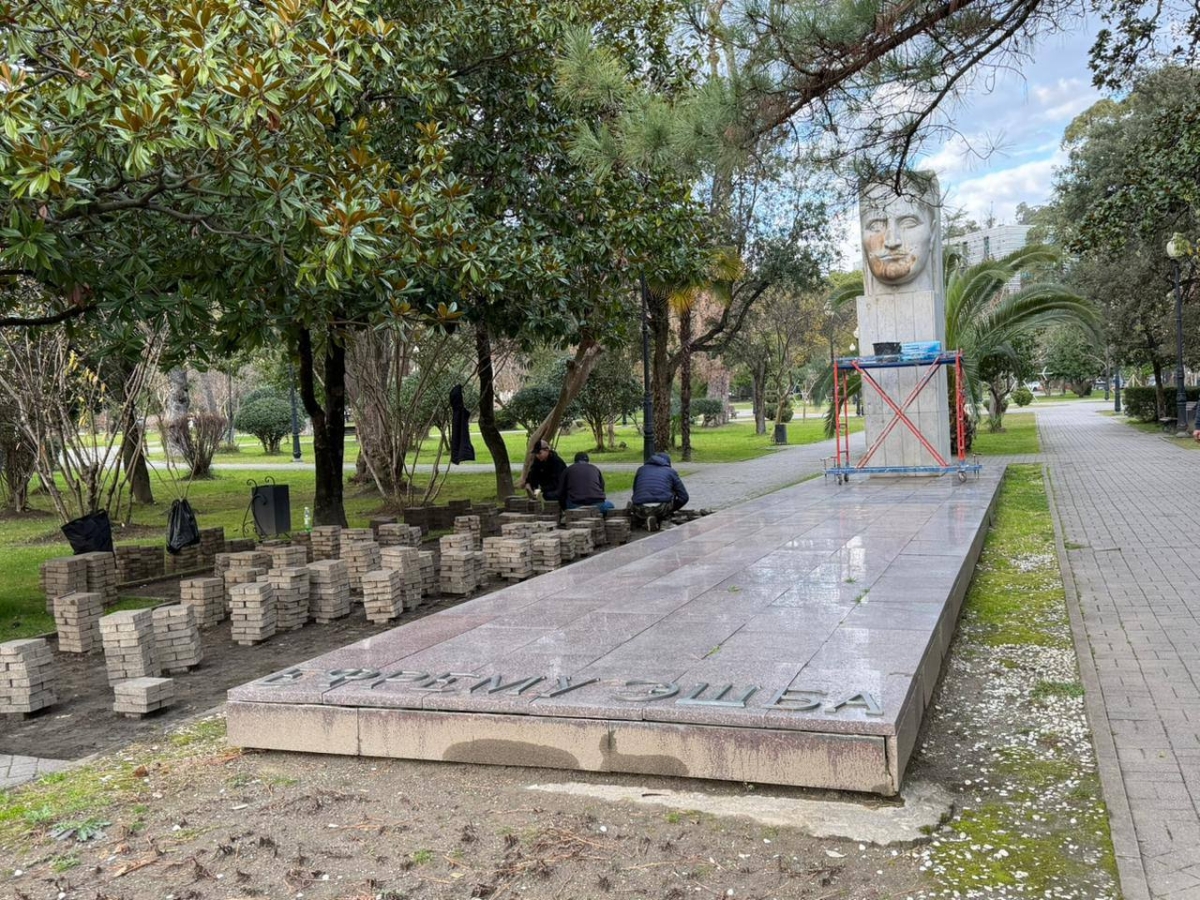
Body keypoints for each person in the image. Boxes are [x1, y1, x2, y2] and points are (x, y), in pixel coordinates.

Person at [629, 452, 689, 531]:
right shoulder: (670, 471)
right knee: (670, 493)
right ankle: (665, 521)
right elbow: (684, 497)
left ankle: (645, 519)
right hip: (661, 508)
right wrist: (672, 509)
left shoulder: (641, 469)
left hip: (640, 508)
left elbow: (635, 491)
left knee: (642, 495)